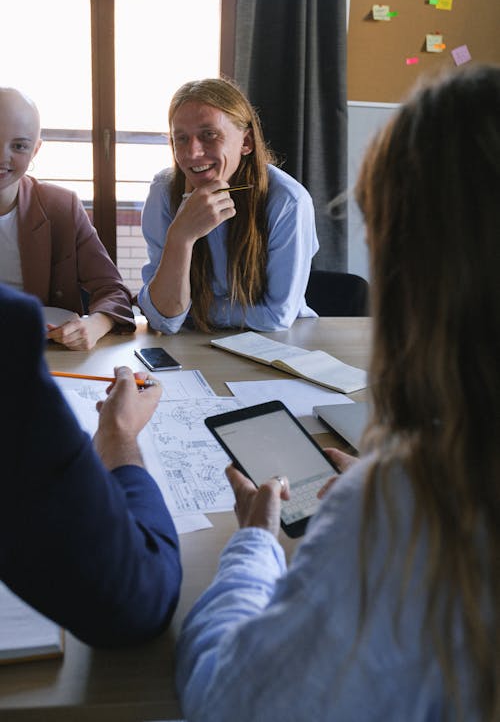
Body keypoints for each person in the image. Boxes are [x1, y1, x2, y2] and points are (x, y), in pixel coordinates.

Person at [175, 64, 500, 721]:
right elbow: (169, 316)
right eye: (178, 139)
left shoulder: (407, 511)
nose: (191, 154)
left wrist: (256, 541)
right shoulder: (172, 193)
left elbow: (226, 700)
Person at [0, 283, 181, 647]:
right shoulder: (10, 331)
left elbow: (112, 288)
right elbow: (141, 599)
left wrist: (99, 321)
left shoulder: (62, 222)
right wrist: (120, 436)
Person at [137, 77, 319, 334]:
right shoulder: (163, 192)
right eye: (181, 139)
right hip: (194, 344)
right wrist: (181, 237)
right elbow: (163, 320)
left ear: (246, 142)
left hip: (279, 345)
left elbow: (276, 316)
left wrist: (192, 311)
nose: (192, 153)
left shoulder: (288, 201)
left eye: (209, 135)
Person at [0, 87, 135, 350]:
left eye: (19, 146)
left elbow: (113, 291)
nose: (2, 156)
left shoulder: (60, 207)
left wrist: (95, 325)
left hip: (44, 355)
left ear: (35, 150)